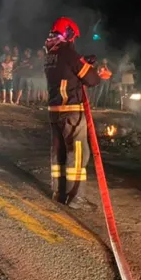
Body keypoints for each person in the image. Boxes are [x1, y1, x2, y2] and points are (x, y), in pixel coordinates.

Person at [44, 17, 100, 209]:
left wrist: (83, 62)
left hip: (54, 111)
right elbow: (91, 80)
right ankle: (76, 198)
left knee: (58, 153)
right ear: (68, 34)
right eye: (73, 37)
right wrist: (96, 71)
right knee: (77, 154)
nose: (74, 41)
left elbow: (67, 71)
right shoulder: (68, 51)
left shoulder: (49, 53)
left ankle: (59, 193)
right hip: (72, 112)